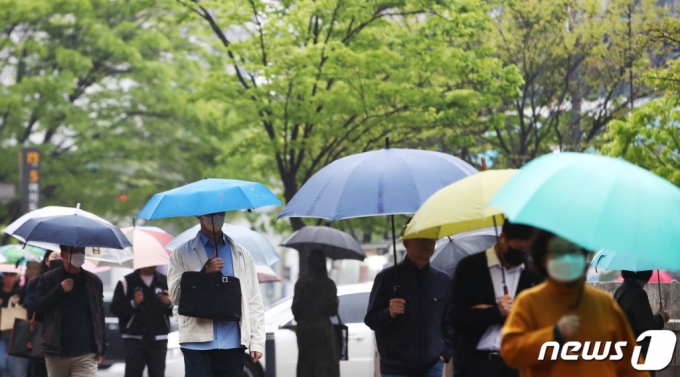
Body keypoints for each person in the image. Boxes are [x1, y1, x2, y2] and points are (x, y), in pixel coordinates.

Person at [500, 230, 648, 377]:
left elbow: (632, 367)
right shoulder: (528, 303)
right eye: (558, 252)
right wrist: (554, 334)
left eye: (574, 252)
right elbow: (510, 351)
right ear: (543, 259)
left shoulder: (604, 304)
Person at [168, 212, 265, 377]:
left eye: (220, 212)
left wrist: (257, 341)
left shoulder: (242, 254)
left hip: (233, 342)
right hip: (197, 342)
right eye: (210, 213)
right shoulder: (181, 254)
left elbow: (253, 299)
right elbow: (175, 296)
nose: (216, 217)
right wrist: (203, 274)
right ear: (199, 215)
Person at [449, 220, 543, 377]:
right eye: (519, 249)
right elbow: (456, 316)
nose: (523, 255)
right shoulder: (470, 268)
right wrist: (496, 312)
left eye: (527, 251)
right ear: (503, 238)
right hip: (476, 364)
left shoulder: (533, 274)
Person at [364, 231, 452, 377]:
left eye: (430, 239)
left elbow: (451, 321)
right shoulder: (387, 278)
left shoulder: (443, 281)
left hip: (432, 366)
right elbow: (371, 319)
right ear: (406, 242)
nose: (426, 243)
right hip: (395, 368)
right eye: (420, 239)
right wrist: (389, 313)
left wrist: (444, 353)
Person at [34, 246, 106, 377]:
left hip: (86, 352)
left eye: (82, 251)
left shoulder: (93, 282)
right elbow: (39, 308)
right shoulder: (48, 279)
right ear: (63, 254)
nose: (79, 255)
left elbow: (99, 316)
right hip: (57, 352)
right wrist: (59, 290)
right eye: (74, 251)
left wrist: (102, 348)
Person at [111, 265, 174, 377]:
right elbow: (115, 308)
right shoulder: (127, 281)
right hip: (134, 337)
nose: (151, 266)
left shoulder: (164, 281)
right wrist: (134, 303)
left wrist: (169, 303)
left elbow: (174, 308)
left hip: (158, 337)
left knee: (157, 373)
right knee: (133, 372)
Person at [292, 250, 340, 377]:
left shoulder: (301, 283)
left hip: (305, 330)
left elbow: (295, 309)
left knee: (305, 365)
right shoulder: (329, 284)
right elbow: (333, 310)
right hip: (324, 330)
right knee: (326, 367)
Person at [614, 270, 669, 376]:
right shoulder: (638, 293)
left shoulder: (621, 291)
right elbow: (647, 327)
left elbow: (635, 320)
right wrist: (660, 317)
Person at [25, 250, 62, 377]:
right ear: (46, 261)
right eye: (55, 257)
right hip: (40, 338)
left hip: (62, 340)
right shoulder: (35, 283)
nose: (59, 261)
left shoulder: (71, 283)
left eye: (63, 258)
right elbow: (33, 308)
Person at [0, 267, 22, 377]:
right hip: (1, 334)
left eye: (12, 275)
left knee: (13, 367)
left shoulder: (20, 292)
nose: (8, 278)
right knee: (2, 364)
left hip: (15, 334)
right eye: (6, 274)